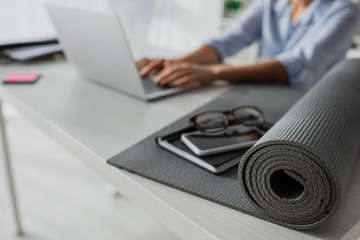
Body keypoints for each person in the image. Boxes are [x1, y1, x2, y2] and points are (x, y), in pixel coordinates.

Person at [136, 0, 359, 87]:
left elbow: (297, 64)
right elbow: (227, 41)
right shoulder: (269, 4)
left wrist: (213, 72)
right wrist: (172, 63)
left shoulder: (345, 11)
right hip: (258, 87)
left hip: (307, 101)